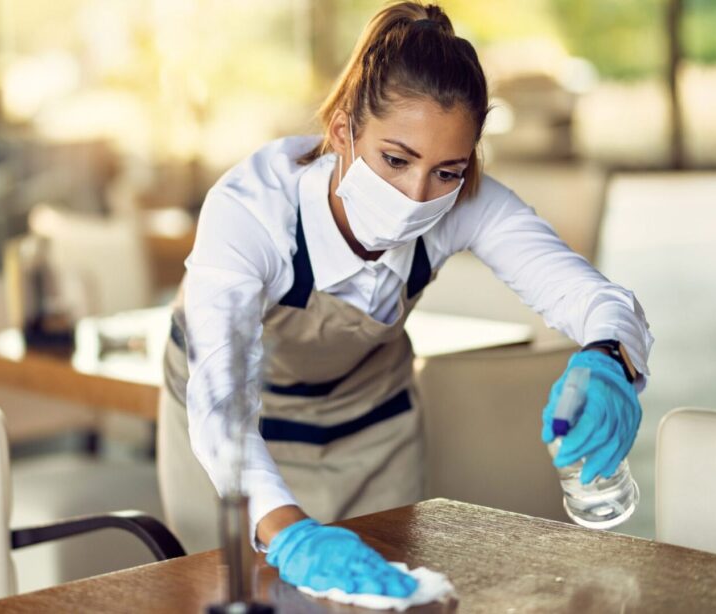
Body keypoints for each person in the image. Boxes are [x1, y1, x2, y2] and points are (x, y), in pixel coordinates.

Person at [157, 0, 653, 597]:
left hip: (374, 426)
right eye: (396, 160)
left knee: (392, 598)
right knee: (240, 599)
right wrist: (287, 532)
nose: (418, 196)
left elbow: (592, 297)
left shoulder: (466, 202)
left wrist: (610, 358)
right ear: (343, 130)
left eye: (447, 170)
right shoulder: (252, 211)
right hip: (230, 435)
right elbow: (221, 405)